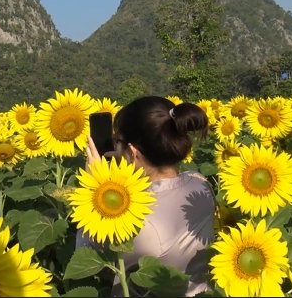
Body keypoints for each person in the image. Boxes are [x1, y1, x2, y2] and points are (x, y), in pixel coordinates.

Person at [77, 96, 216, 297]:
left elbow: (86, 253)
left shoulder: (138, 223)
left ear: (133, 152)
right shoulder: (201, 183)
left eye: (118, 142)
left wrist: (96, 187)